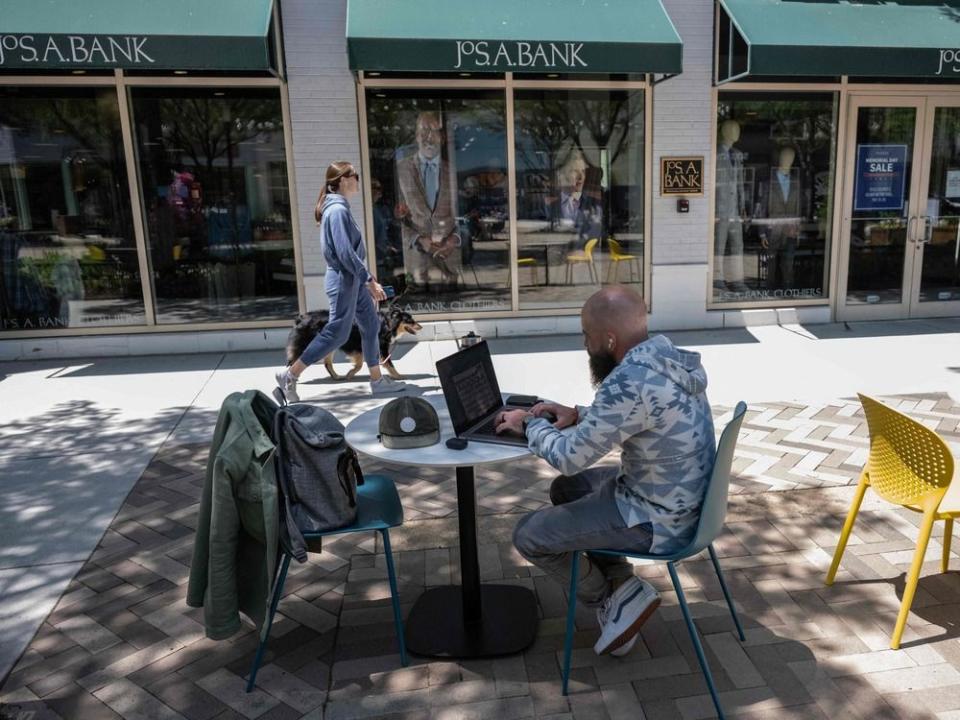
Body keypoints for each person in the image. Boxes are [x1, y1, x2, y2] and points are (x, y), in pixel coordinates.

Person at [495, 285, 716, 656]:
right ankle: (625, 588)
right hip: (687, 501)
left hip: (659, 519)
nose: (584, 344)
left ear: (609, 338)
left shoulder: (628, 382)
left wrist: (530, 425)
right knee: (568, 489)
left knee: (529, 535)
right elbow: (643, 414)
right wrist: (579, 414)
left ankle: (606, 599)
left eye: (586, 335)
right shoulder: (668, 359)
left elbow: (569, 456)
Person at [275, 161, 414, 401]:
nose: (359, 180)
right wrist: (369, 280)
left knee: (370, 326)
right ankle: (290, 375)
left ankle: (377, 381)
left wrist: (364, 281)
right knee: (337, 333)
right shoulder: (337, 211)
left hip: (351, 281)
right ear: (342, 180)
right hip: (343, 281)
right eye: (355, 176)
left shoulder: (339, 207)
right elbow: (345, 252)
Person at [395, 111, 461, 291]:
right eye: (423, 131)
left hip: (449, 258)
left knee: (452, 306)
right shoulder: (402, 169)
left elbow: (464, 212)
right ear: (416, 136)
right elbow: (395, 216)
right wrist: (417, 238)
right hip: (417, 260)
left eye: (434, 131)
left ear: (443, 137)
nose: (429, 138)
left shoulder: (453, 171)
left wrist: (454, 239)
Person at [760, 147, 801, 290]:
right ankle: (770, 291)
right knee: (771, 263)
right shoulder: (768, 182)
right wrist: (762, 232)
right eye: (785, 156)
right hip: (773, 229)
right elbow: (762, 207)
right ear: (780, 159)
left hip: (790, 229)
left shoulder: (796, 182)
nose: (787, 160)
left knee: (788, 263)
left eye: (791, 157)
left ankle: (788, 291)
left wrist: (799, 229)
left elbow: (798, 207)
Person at [715, 119, 749, 294]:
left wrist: (743, 206)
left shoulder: (737, 154)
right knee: (718, 247)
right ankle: (718, 280)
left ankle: (737, 280)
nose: (737, 132)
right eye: (733, 128)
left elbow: (740, 183)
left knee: (737, 246)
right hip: (719, 209)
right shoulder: (715, 154)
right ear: (724, 131)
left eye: (738, 128)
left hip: (735, 210)